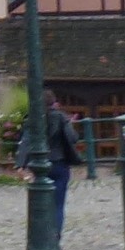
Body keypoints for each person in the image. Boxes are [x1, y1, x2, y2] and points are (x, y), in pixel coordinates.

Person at [43, 92, 80, 242]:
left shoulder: (35, 118)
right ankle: (55, 240)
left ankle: (43, 238)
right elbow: (73, 138)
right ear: (54, 103)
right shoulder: (61, 117)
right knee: (58, 205)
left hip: (40, 164)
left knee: (41, 204)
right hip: (59, 162)